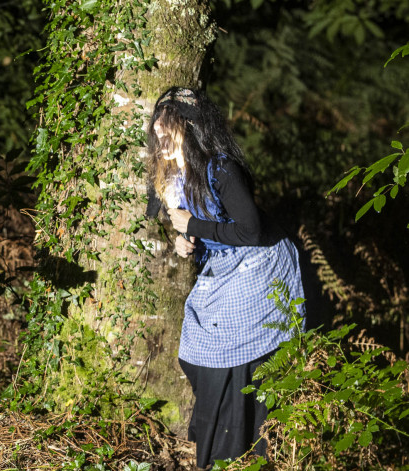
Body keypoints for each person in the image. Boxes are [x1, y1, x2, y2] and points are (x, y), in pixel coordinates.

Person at [146, 87, 305, 468]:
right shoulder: (170, 175)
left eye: (169, 132)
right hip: (221, 265)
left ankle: (237, 448)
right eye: (156, 132)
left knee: (229, 361)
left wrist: (195, 224)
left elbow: (249, 231)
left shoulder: (220, 169)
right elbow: (189, 223)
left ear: (191, 129)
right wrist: (187, 240)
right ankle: (229, 442)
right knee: (196, 356)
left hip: (259, 263)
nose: (160, 140)